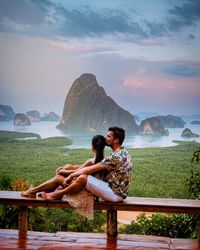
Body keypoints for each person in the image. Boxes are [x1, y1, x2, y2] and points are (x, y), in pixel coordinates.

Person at [28, 127, 132, 202]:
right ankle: (52, 192)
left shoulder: (115, 156)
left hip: (115, 194)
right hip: (115, 190)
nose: (106, 138)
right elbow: (87, 166)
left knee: (83, 177)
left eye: (109, 136)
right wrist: (70, 170)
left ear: (116, 140)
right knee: (79, 175)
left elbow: (88, 170)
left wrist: (71, 175)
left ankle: (56, 194)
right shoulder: (123, 152)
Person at [22, 134, 106, 198]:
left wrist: (61, 171)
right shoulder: (103, 159)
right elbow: (79, 167)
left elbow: (76, 172)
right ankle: (53, 192)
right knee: (68, 166)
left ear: (92, 146)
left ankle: (33, 191)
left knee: (58, 178)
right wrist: (66, 167)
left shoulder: (91, 162)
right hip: (91, 189)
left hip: (84, 190)